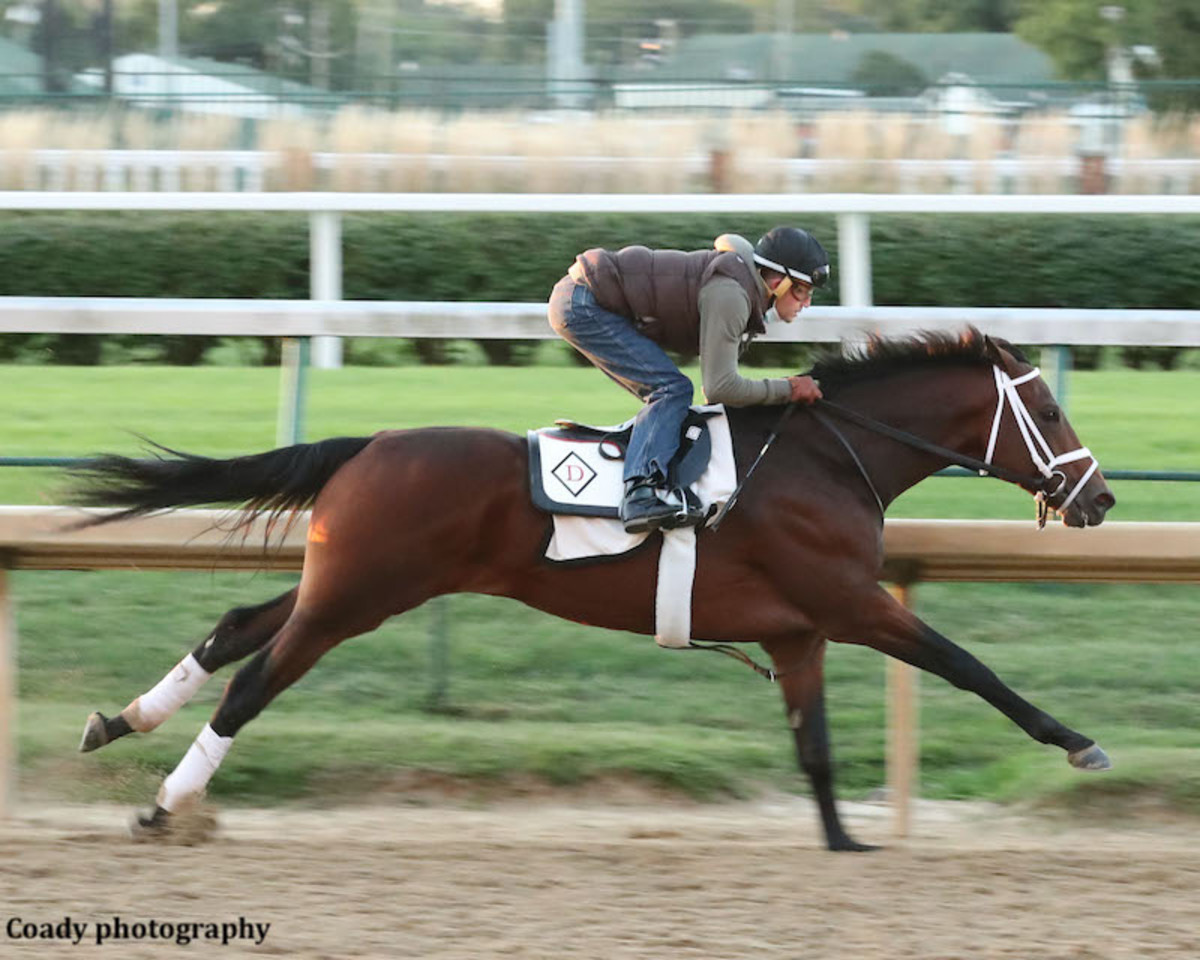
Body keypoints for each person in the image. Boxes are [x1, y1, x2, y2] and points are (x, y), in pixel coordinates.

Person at [548, 226, 830, 534]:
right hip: (583, 304)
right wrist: (788, 389)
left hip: (585, 294)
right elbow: (721, 387)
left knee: (673, 390)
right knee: (671, 389)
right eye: (802, 290)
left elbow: (718, 396)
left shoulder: (743, 285)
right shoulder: (732, 295)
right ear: (778, 281)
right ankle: (639, 495)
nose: (806, 303)